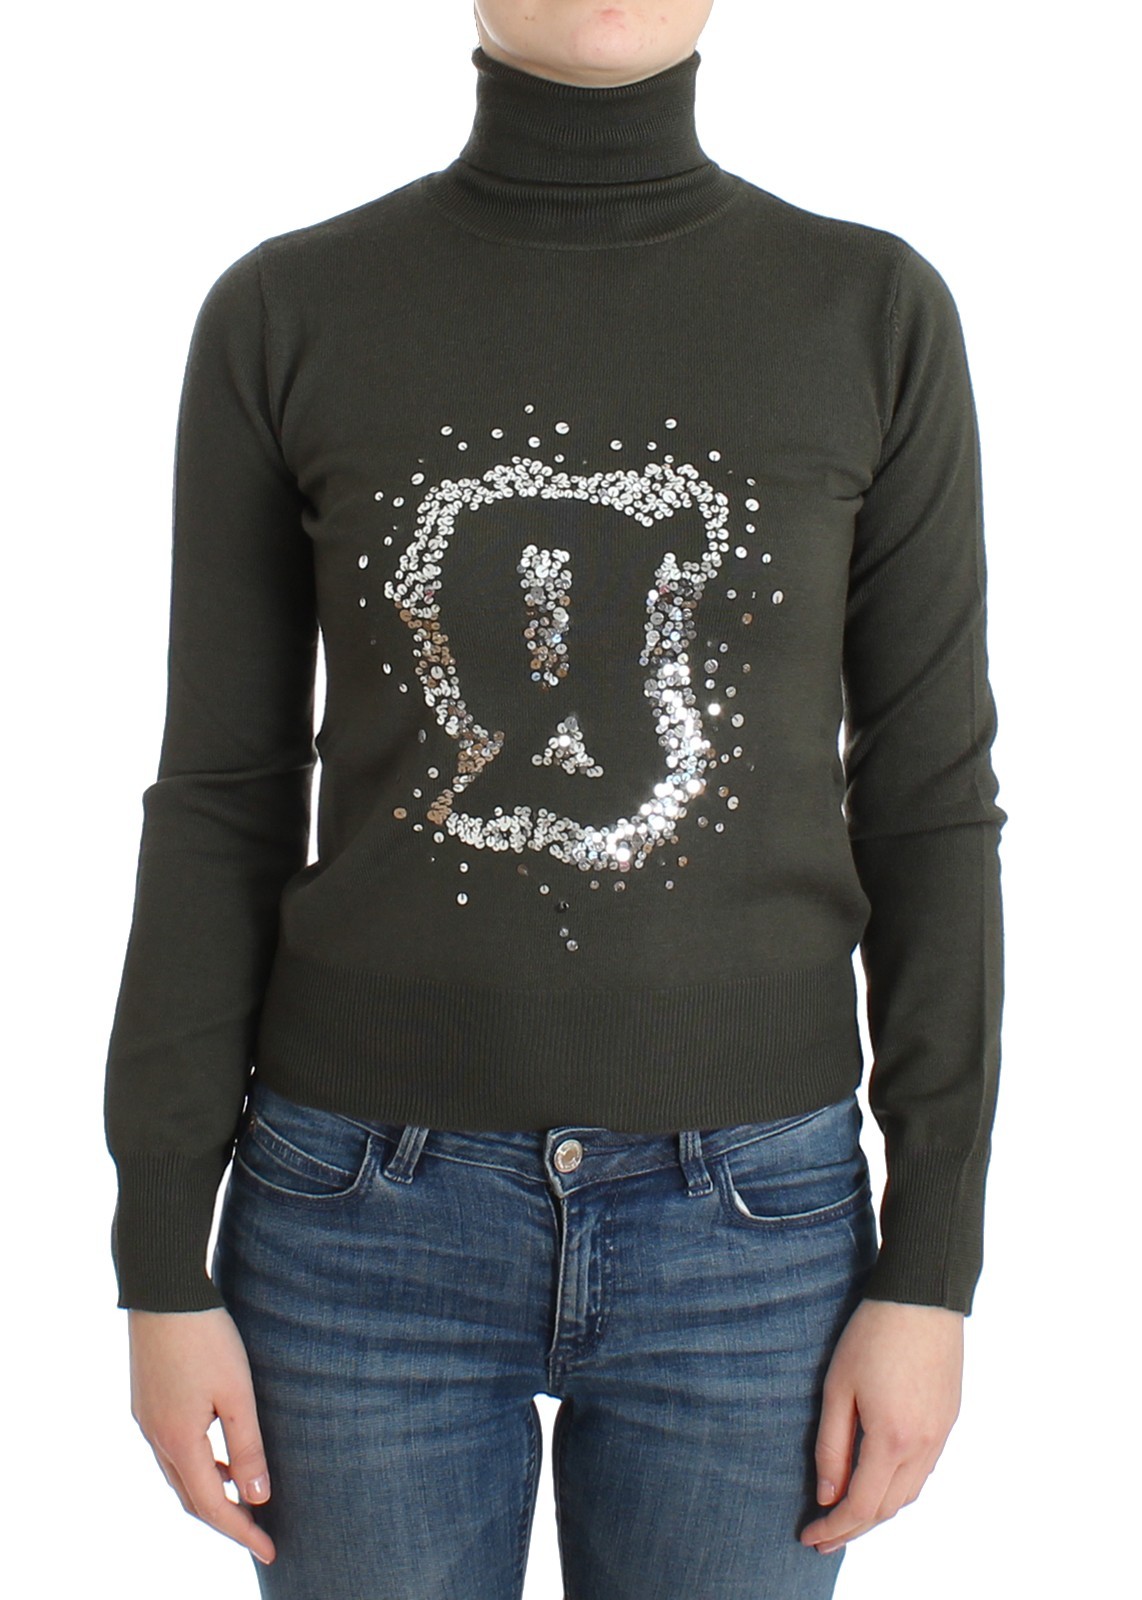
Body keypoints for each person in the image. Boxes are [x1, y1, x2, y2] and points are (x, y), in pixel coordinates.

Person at [104, 2, 1006, 1595]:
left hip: (754, 1235)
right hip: (350, 1224)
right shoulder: (290, 309)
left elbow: (928, 804)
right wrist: (160, 1260)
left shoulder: (867, 311)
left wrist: (930, 1263)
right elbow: (221, 799)